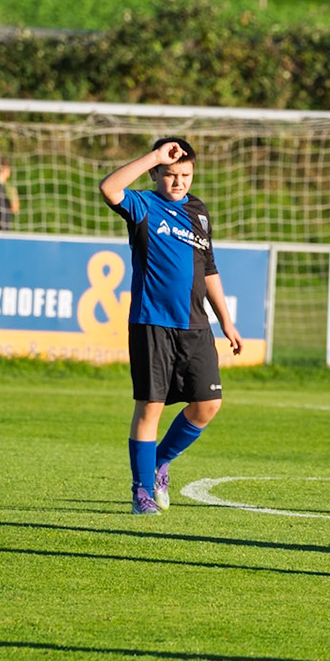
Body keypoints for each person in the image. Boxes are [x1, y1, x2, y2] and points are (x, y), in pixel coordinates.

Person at [98, 138, 245, 516]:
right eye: (169, 174)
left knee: (208, 405)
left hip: (195, 326)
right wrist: (154, 156)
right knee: (151, 407)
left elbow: (208, 269)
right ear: (155, 174)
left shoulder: (198, 212)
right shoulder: (143, 206)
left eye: (185, 175)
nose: (178, 182)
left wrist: (226, 321)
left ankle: (159, 462)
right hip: (152, 323)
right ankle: (141, 493)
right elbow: (109, 188)